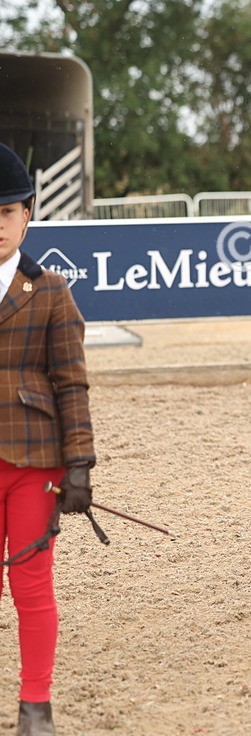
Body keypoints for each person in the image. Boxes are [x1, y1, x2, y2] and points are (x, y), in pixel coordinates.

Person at [0, 142, 94, 735]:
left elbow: (71, 382)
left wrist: (80, 463)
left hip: (35, 461)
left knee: (30, 582)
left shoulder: (52, 291)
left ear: (28, 212)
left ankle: (36, 703)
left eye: (5, 213)